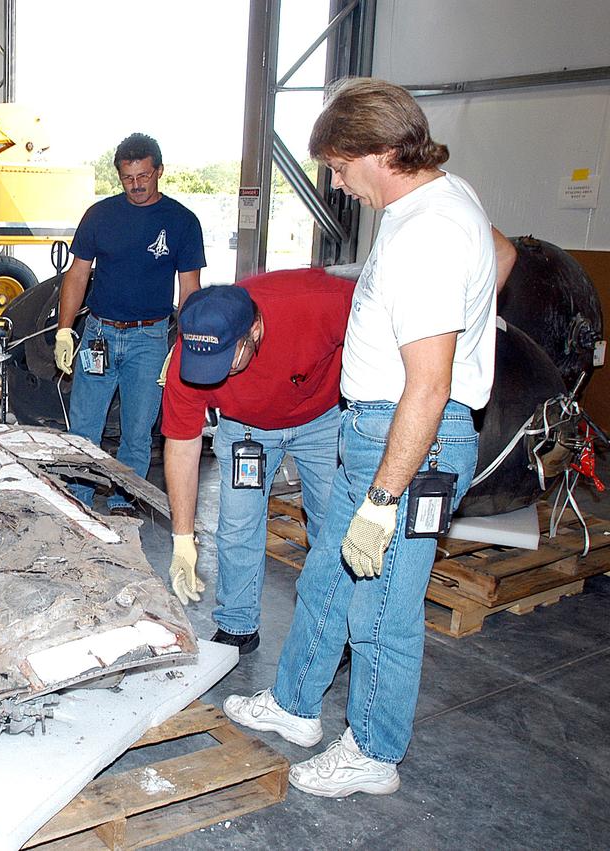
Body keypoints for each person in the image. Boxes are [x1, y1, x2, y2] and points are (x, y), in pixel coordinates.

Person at [223, 77, 497, 799]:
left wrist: (384, 498)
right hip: (376, 432)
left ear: (379, 150)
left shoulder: (430, 232)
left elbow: (430, 387)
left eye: (341, 169)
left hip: (410, 445)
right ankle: (294, 705)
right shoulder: (439, 202)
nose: (339, 186)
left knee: (382, 610)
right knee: (327, 575)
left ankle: (374, 751)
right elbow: (500, 256)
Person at [163, 270, 354, 656]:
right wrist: (182, 539)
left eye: (224, 361)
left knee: (333, 525)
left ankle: (337, 627)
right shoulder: (192, 351)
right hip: (246, 430)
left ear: (253, 330)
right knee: (237, 526)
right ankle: (237, 625)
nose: (212, 376)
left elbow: (390, 326)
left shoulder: (319, 301)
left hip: (321, 419)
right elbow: (182, 445)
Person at [54, 132, 205, 516]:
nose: (136, 186)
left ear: (159, 171)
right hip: (99, 335)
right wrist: (64, 329)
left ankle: (124, 501)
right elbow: (77, 275)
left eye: (143, 176)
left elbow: (190, 288)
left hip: (150, 339)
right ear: (119, 176)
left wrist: (182, 346)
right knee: (84, 428)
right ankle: (79, 501)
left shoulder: (182, 222)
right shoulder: (100, 216)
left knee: (138, 432)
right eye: (127, 178)